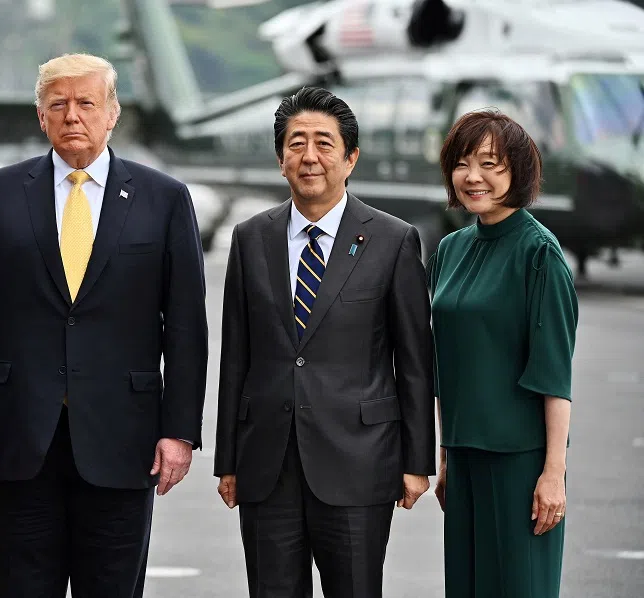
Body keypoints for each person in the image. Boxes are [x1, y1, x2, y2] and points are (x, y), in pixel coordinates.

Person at [0, 53, 209, 598]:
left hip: (122, 439)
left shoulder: (164, 199)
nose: (72, 115)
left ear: (113, 114)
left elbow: (185, 328)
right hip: (14, 438)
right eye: (57, 104)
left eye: (87, 103)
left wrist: (179, 432)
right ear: (40, 116)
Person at [213, 86, 436, 598]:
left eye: (323, 143)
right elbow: (236, 358)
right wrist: (228, 458)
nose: (309, 156)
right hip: (267, 464)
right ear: (280, 158)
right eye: (296, 144)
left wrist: (417, 460)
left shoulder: (393, 239)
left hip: (361, 460)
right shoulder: (251, 238)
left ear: (350, 157)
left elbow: (416, 362)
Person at [428, 109, 578, 598]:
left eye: (491, 164)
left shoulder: (540, 253)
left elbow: (554, 373)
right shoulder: (451, 248)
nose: (474, 177)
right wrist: (447, 455)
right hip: (466, 459)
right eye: (464, 163)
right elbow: (447, 362)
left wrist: (553, 474)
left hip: (521, 462)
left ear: (518, 171)